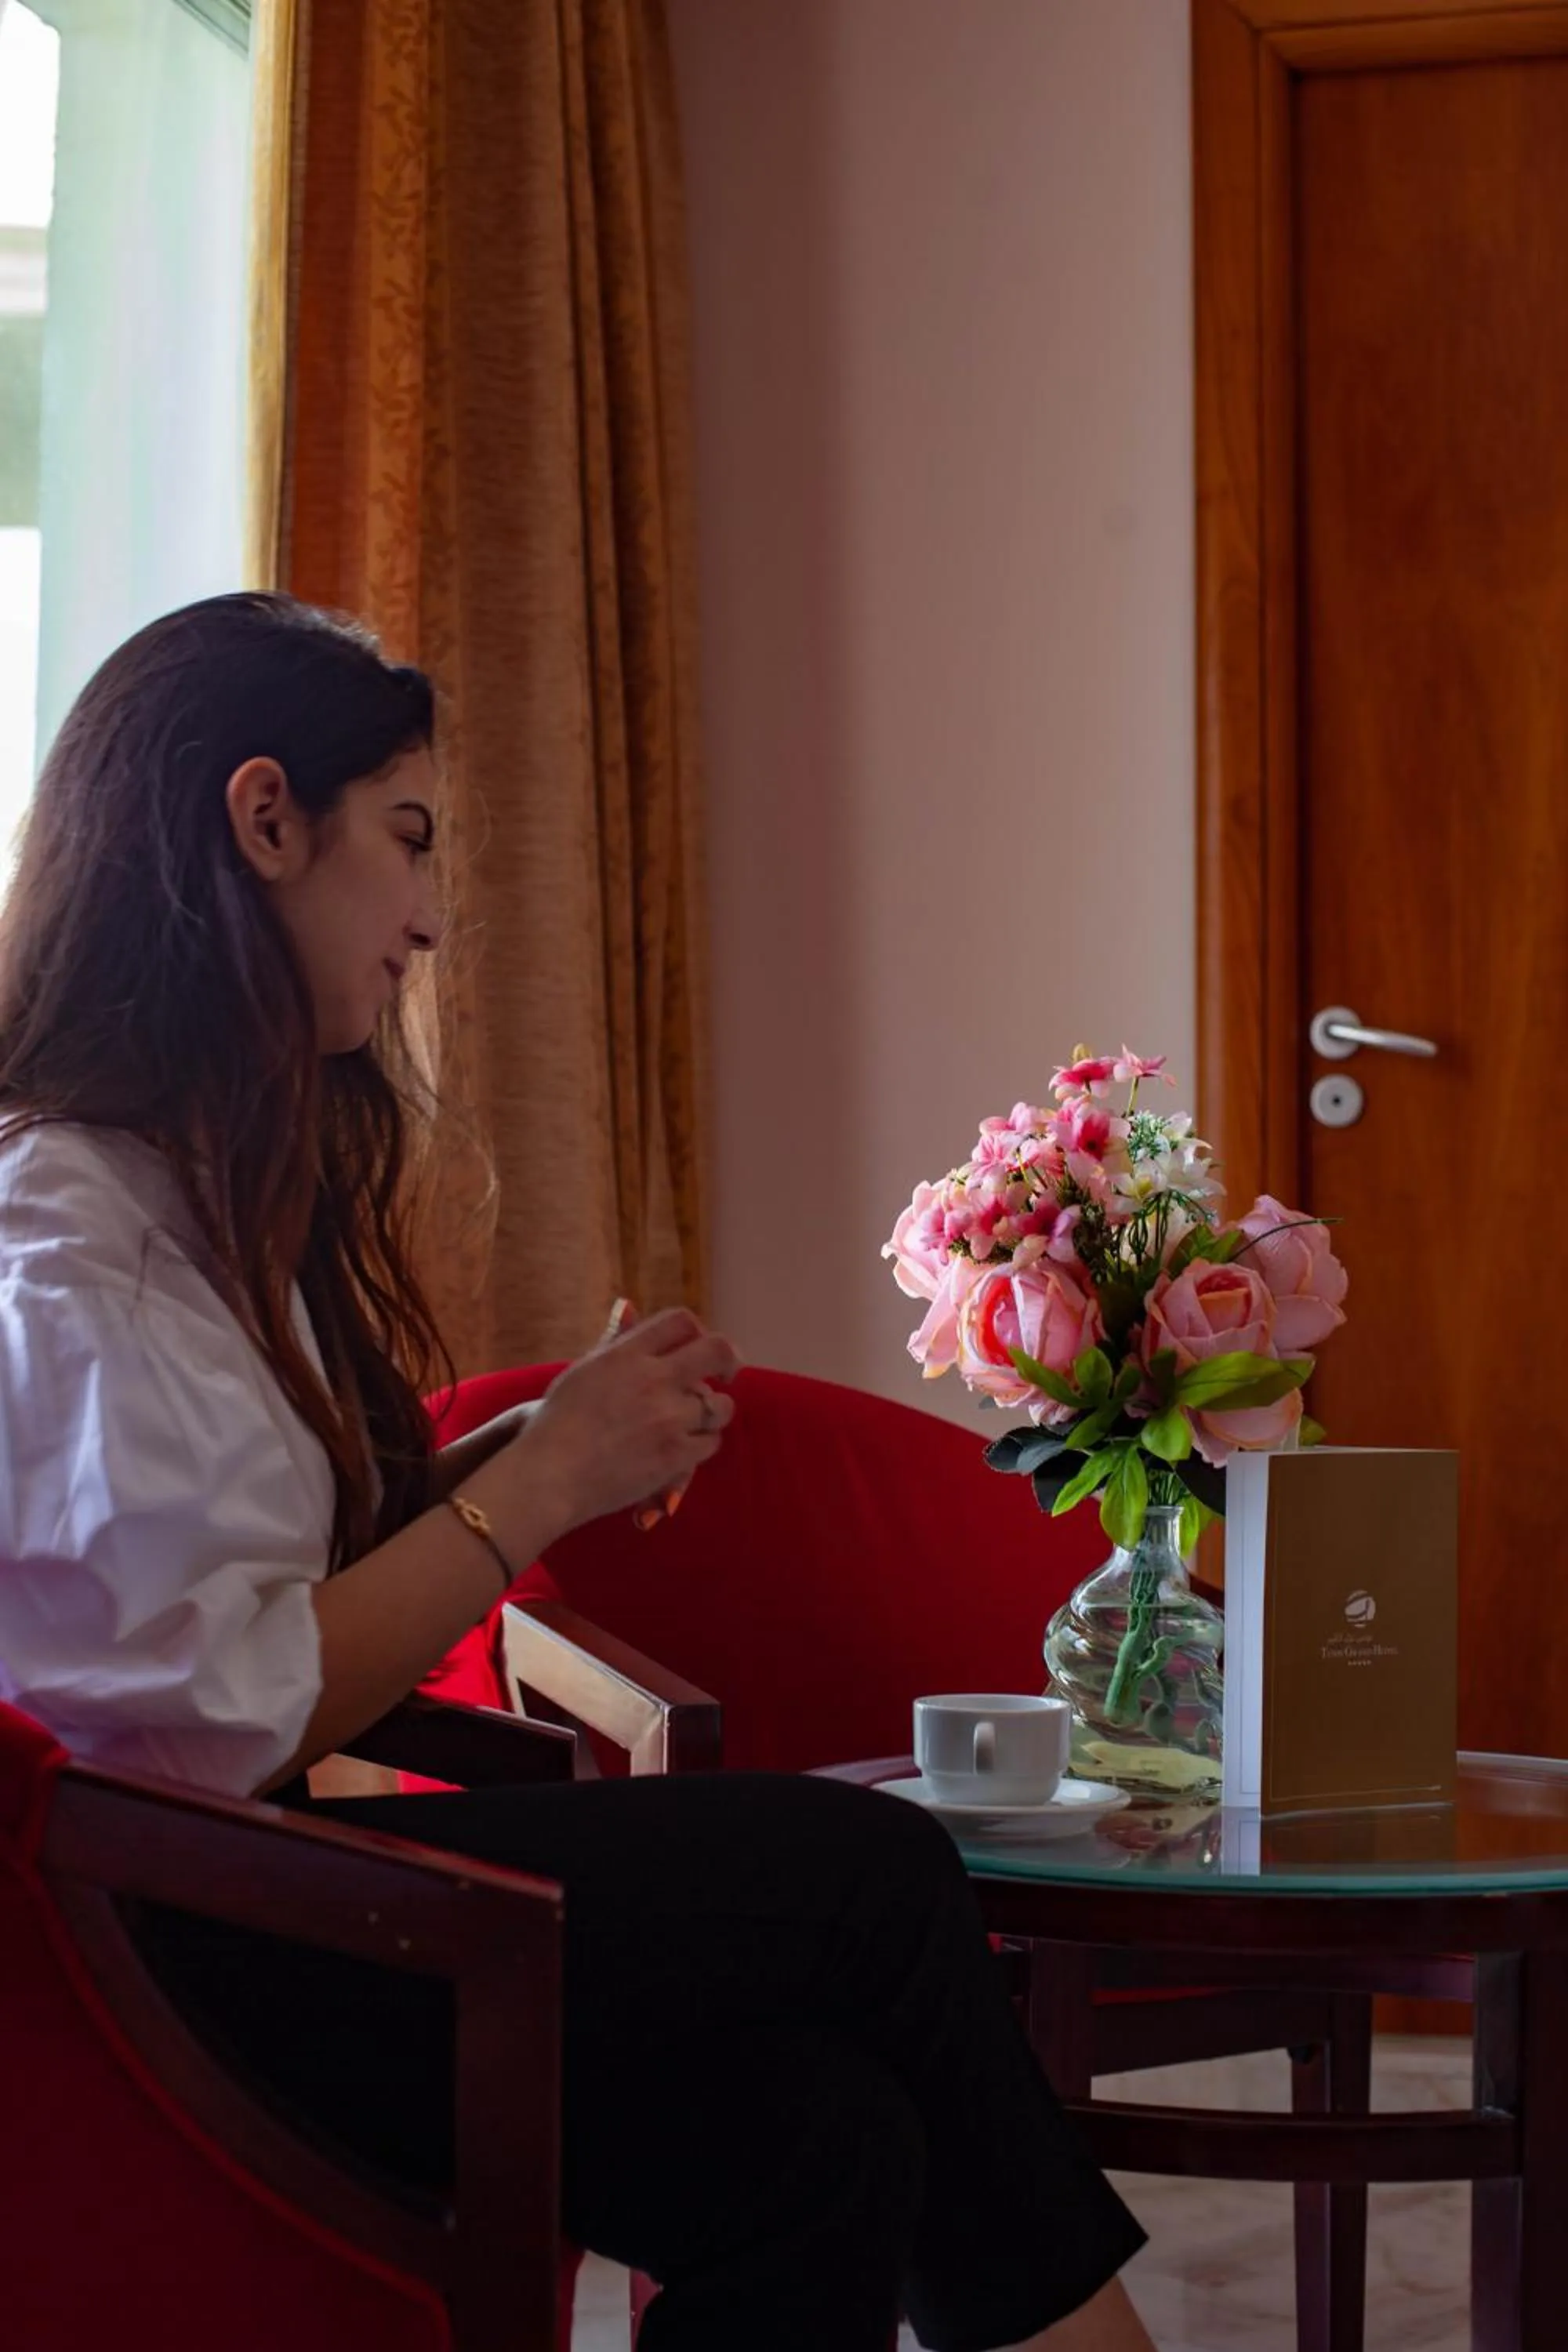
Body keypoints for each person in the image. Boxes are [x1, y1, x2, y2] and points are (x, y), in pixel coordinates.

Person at [0, 593, 1156, 2352]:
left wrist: (543, 1454)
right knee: (872, 1875)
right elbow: (210, 1717)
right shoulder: (74, 1241)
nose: (431, 919)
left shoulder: (172, 1195)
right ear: (261, 818)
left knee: (821, 2142)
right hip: (173, 1957)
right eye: (404, 843)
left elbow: (233, 1607)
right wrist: (527, 1497)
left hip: (233, 1910)